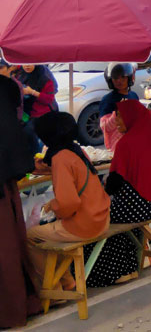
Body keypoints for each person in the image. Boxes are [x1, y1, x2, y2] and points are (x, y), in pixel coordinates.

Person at [83, 100, 151, 287]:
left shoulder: (127, 143)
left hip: (134, 210)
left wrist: (102, 191)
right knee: (115, 215)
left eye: (120, 116)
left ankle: (117, 272)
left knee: (95, 220)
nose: (116, 121)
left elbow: (114, 184)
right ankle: (129, 267)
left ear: (132, 117)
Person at [27, 112, 110, 289]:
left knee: (30, 236)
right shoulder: (74, 150)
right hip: (101, 217)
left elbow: (68, 204)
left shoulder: (60, 158)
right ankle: (66, 281)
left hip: (85, 224)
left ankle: (55, 288)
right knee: (47, 231)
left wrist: (53, 206)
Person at [0, 77, 40, 329]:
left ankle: (12, 309)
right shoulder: (5, 86)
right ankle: (21, 305)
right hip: (5, 176)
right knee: (9, 245)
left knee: (6, 248)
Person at [99, 63, 138, 152]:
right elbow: (104, 126)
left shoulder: (133, 96)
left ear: (129, 78)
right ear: (110, 80)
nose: (119, 81)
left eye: (123, 77)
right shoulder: (108, 100)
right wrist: (116, 114)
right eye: (116, 78)